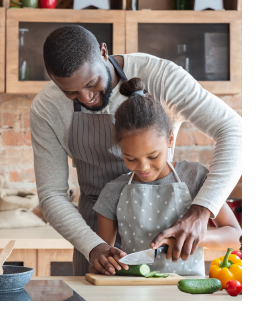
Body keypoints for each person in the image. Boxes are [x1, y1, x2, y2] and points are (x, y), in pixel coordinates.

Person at [30, 25, 242, 276]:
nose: (87, 98)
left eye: (92, 83)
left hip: (167, 235)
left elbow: (234, 129)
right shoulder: (46, 107)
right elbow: (52, 194)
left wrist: (201, 211)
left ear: (103, 52)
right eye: (71, 93)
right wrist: (94, 246)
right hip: (96, 240)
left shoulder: (160, 76)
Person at [90, 78, 242, 276]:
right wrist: (103, 262)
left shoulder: (194, 177)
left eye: (153, 156)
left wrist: (191, 237)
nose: (143, 167)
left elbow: (234, 235)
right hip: (133, 294)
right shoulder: (113, 191)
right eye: (130, 158)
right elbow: (102, 255)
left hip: (186, 294)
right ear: (120, 149)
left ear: (170, 139)